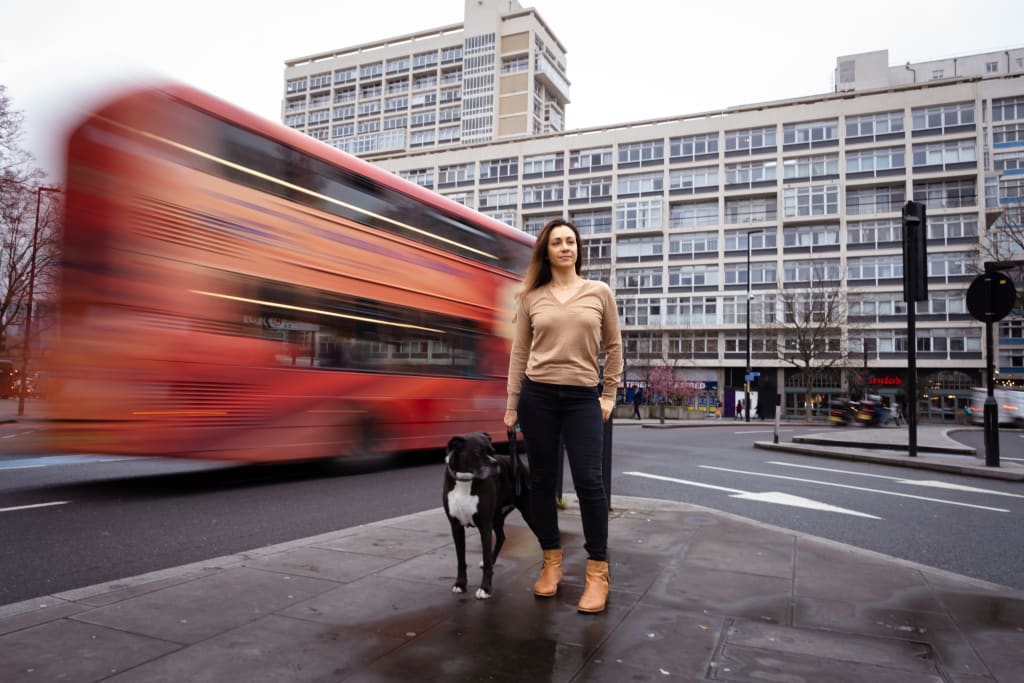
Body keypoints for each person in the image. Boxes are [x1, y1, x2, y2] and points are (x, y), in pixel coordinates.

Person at [504, 218, 623, 614]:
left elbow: (614, 346)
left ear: (578, 249)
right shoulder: (531, 297)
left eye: (571, 241)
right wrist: (511, 405)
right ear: (547, 251)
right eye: (557, 242)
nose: (565, 247)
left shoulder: (599, 292)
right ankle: (551, 561)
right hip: (537, 396)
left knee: (590, 482)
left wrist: (609, 395)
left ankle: (597, 572)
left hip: (582, 399)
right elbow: (519, 353)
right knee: (541, 482)